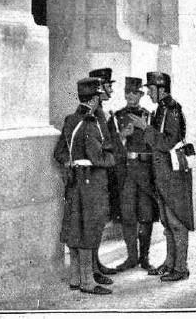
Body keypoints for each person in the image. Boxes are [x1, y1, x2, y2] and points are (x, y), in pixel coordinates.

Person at [129, 71, 194, 282]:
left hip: (171, 174)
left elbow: (166, 143)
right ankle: (170, 263)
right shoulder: (163, 109)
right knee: (167, 221)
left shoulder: (171, 110)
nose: (148, 93)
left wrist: (145, 128)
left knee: (176, 220)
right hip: (163, 173)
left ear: (162, 89)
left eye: (151, 89)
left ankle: (181, 267)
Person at [53, 77, 115, 295]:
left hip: (74, 182)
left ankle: (75, 277)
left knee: (74, 227)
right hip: (91, 183)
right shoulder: (91, 123)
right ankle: (88, 282)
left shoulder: (70, 120)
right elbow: (98, 157)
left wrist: (70, 162)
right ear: (96, 99)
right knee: (88, 229)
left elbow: (59, 153)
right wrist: (111, 158)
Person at [108, 77, 158, 272]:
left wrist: (145, 129)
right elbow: (109, 145)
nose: (130, 96)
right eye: (127, 93)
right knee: (128, 215)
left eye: (135, 93)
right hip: (126, 172)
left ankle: (144, 258)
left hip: (145, 172)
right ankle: (131, 257)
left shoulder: (149, 116)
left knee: (146, 215)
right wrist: (122, 135)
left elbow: (156, 143)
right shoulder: (116, 116)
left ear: (141, 95)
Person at [87, 67, 119, 279]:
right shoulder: (94, 116)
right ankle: (93, 268)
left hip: (104, 174)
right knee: (94, 223)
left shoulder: (102, 113)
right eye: (108, 86)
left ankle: (96, 264)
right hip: (96, 175)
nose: (110, 91)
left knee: (99, 222)